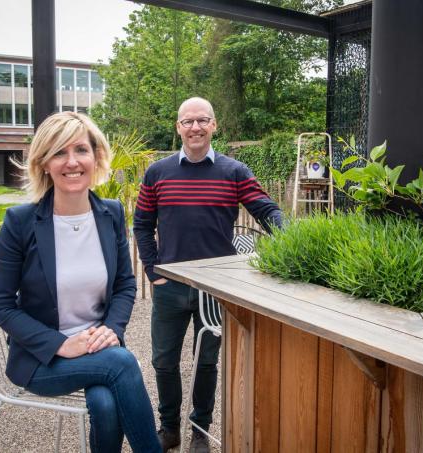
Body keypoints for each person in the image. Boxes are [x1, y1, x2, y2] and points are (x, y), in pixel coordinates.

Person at [0, 111, 161, 453]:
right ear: (44, 163)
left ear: (96, 157)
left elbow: (125, 284)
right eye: (59, 152)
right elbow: (0, 305)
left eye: (81, 150)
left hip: (98, 348)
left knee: (106, 404)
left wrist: (112, 327)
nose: (72, 162)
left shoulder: (110, 214)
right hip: (43, 358)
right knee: (122, 363)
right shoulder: (20, 222)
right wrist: (60, 344)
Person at [133, 97, 283, 453]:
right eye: (188, 121)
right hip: (170, 286)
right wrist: (154, 271)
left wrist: (293, 238)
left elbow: (266, 210)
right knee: (163, 361)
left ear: (215, 125)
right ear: (178, 128)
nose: (195, 127)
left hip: (215, 289)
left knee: (207, 362)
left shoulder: (234, 171)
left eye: (203, 120)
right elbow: (141, 224)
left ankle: (199, 430)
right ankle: (169, 428)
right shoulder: (158, 172)